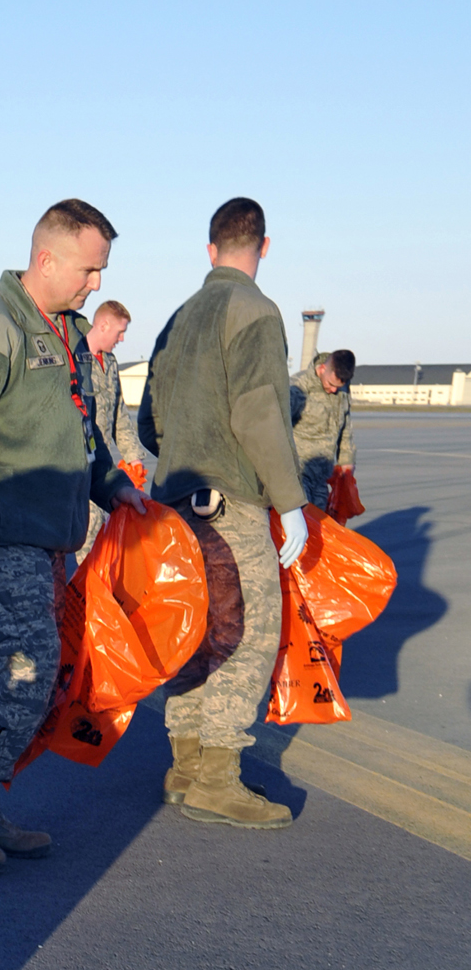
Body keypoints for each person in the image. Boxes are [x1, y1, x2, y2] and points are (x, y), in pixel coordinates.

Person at [0, 198, 144, 873]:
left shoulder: (67, 332)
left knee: (32, 676)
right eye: (88, 269)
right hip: (1, 538)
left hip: (51, 540)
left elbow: (82, 427)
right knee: (27, 666)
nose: (96, 284)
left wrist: (112, 483)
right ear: (46, 259)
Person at [138, 197, 308, 829]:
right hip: (229, 502)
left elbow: (147, 421)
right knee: (249, 634)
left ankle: (183, 766)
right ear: (263, 247)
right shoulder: (254, 310)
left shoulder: (180, 317)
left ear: (210, 250)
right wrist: (289, 503)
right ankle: (217, 778)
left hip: (174, 504)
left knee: (191, 631)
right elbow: (260, 412)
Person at [77, 299, 147, 559]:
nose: (122, 339)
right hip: (85, 471)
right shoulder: (76, 360)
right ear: (103, 325)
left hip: (106, 470)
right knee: (84, 546)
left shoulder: (111, 363)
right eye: (120, 332)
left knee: (106, 548)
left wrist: (135, 458)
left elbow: (120, 417)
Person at [290, 348, 356, 508]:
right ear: (322, 369)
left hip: (322, 477)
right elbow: (275, 428)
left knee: (321, 525)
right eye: (331, 384)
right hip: (298, 474)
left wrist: (346, 460)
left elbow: (345, 426)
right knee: (302, 525)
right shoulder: (297, 388)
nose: (334, 390)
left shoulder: (343, 390)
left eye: (338, 387)